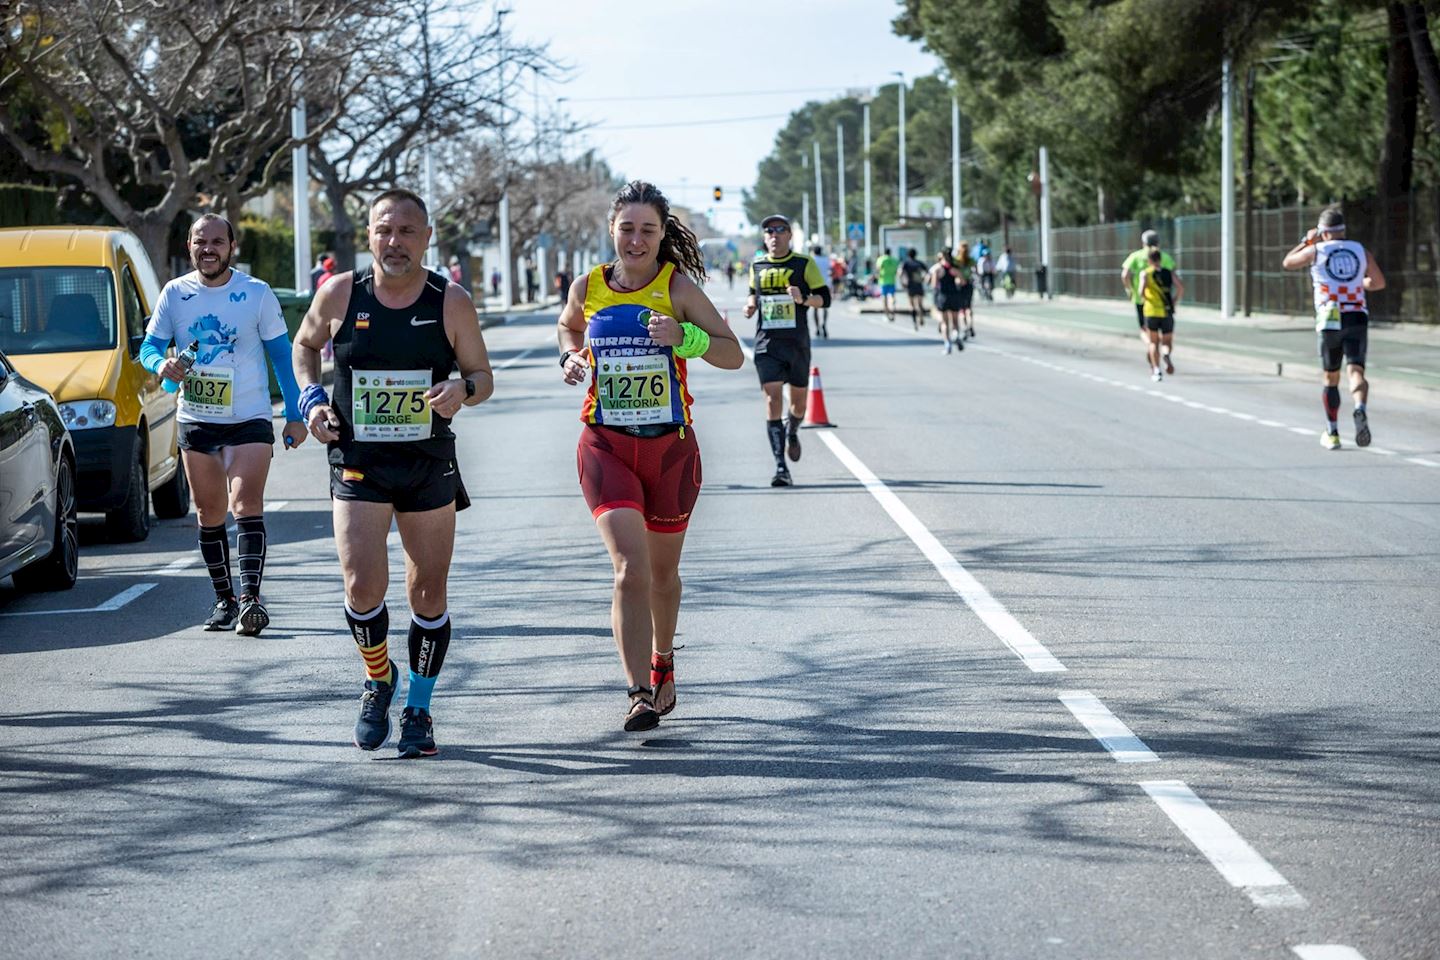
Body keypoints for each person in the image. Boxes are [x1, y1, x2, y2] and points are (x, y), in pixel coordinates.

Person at [293, 188, 494, 759]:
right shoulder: (339, 292)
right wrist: (311, 400)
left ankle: (420, 708)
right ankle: (378, 680)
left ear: (427, 238)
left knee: (427, 590)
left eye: (408, 231)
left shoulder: (449, 299)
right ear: (369, 235)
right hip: (358, 456)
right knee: (361, 585)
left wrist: (463, 388)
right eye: (384, 229)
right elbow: (304, 346)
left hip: (427, 459)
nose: (395, 241)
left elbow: (482, 376)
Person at [557, 181, 742, 731]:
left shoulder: (676, 287)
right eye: (627, 228)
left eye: (648, 230)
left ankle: (663, 661)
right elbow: (568, 326)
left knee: (663, 575)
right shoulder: (587, 286)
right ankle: (638, 692)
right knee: (629, 569)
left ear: (662, 236)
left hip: (669, 451)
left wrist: (684, 337)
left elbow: (732, 354)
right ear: (611, 230)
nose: (636, 240)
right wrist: (569, 357)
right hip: (605, 444)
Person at [139, 214, 308, 635]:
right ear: (189, 247)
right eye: (201, 242)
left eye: (217, 241)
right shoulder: (174, 294)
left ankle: (251, 599)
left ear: (232, 247)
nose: (208, 249)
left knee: (245, 505)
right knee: (209, 512)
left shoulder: (256, 294)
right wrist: (163, 363)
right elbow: (150, 347)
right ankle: (224, 599)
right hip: (196, 418)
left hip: (248, 417)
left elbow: (282, 358)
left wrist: (293, 414)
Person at [1282, 206, 1386, 450]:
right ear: (1343, 230)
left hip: (1330, 316)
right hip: (1356, 313)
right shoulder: (1360, 250)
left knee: (1330, 376)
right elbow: (1378, 282)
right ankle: (1360, 408)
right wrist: (1357, 282)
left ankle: (1332, 432)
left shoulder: (1315, 250)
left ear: (1323, 232)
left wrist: (1306, 241)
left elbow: (1287, 263)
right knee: (1356, 370)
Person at [746, 216, 830, 487]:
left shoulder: (803, 264)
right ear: (764, 237)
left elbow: (825, 298)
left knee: (799, 405)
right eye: (769, 231)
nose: (774, 235)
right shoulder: (757, 265)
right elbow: (752, 294)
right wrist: (750, 306)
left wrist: (803, 299)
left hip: (796, 344)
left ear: (789, 235)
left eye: (780, 230)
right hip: (766, 344)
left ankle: (792, 430)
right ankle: (781, 467)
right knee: (772, 401)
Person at [1121, 229, 1180, 372]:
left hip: (1142, 300)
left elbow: (1125, 274)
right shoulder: (1164, 257)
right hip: (1164, 302)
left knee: (1144, 329)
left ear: (1143, 242)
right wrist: (1174, 299)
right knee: (1166, 334)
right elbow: (1174, 277)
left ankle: (1151, 345)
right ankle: (1160, 350)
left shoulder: (1136, 256)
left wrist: (1129, 289)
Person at [1139, 248, 1183, 381]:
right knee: (1167, 340)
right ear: (1160, 259)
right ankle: (1166, 354)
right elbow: (1180, 287)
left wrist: (1146, 300)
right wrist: (1174, 300)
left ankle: (1156, 370)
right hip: (1167, 310)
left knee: (1153, 342)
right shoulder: (1168, 272)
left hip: (1151, 311)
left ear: (1149, 260)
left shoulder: (1145, 273)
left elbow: (1141, 291)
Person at [928, 249, 964, 354]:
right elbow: (961, 281)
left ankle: (947, 344)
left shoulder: (938, 269)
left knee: (944, 323)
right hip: (954, 295)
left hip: (943, 296)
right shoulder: (954, 269)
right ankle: (956, 334)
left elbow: (934, 285)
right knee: (955, 321)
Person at [954, 242, 977, 340]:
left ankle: (964, 327)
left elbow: (954, 272)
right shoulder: (971, 260)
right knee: (968, 307)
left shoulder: (956, 260)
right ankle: (970, 325)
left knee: (961, 308)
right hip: (968, 284)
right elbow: (974, 270)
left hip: (959, 285)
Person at [900, 247, 928, 329]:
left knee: (911, 305)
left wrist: (902, 282)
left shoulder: (906, 263)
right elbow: (927, 271)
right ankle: (921, 318)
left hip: (910, 285)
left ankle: (914, 321)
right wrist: (923, 279)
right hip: (918, 285)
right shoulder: (919, 263)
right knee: (920, 304)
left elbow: (900, 273)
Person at [810, 245, 832, 338]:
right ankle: (824, 325)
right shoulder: (826, 259)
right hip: (826, 284)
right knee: (825, 307)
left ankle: (817, 327)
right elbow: (830, 270)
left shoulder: (812, 260)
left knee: (815, 308)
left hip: (815, 285)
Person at [875, 247, 899, 322]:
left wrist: (877, 276)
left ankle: (886, 314)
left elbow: (878, 269)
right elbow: (896, 270)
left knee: (884, 298)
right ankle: (893, 311)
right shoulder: (894, 260)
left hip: (883, 281)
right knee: (892, 297)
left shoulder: (881, 259)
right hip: (892, 281)